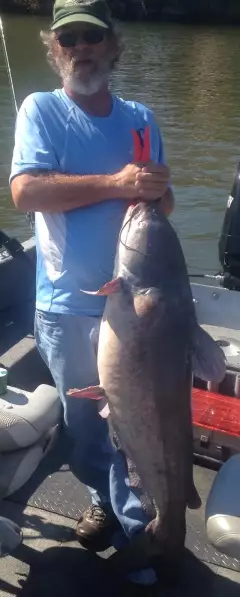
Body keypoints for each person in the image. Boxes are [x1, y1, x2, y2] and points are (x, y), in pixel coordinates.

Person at [10, 0, 174, 586]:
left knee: (140, 423)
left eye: (92, 37)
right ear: (56, 49)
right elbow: (25, 193)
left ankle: (143, 534)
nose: (82, 47)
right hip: (69, 305)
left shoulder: (140, 118)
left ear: (112, 46)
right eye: (70, 38)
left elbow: (164, 205)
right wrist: (116, 182)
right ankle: (112, 498)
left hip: (141, 310)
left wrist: (156, 188)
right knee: (87, 433)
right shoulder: (42, 110)